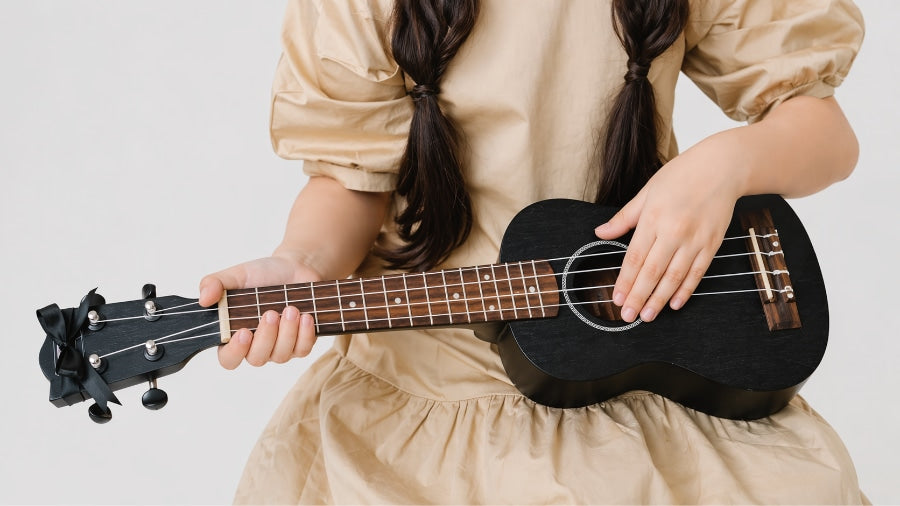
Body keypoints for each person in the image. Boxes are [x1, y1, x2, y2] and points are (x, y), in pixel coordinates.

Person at [198, 0, 866, 503]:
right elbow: (350, 181)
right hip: (420, 386)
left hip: (626, 354)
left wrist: (728, 164)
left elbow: (826, 137)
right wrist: (301, 265)